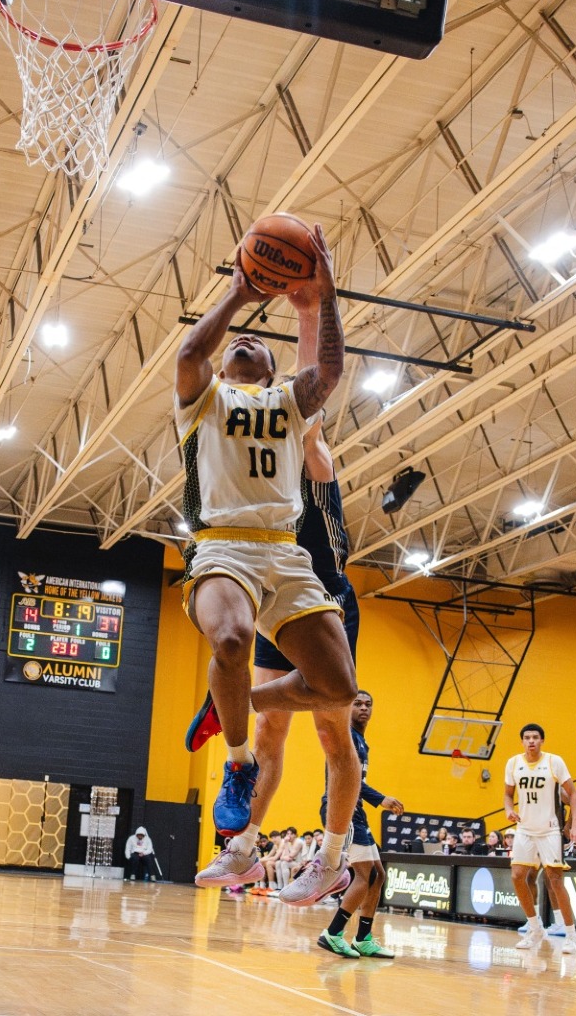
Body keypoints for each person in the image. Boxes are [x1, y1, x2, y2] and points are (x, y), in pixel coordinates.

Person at [173, 228, 359, 909]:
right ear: (225, 368)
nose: (247, 339)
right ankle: (238, 761)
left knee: (337, 687)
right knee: (230, 639)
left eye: (259, 338)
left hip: (287, 553)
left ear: (276, 371)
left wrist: (326, 293)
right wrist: (237, 292)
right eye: (238, 343)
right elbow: (193, 349)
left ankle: (234, 709)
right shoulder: (203, 403)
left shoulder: (286, 404)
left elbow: (330, 371)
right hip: (222, 545)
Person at [195, 395, 364, 909]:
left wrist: (309, 421)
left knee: (332, 731)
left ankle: (332, 859)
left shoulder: (311, 457)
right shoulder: (255, 465)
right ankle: (243, 846)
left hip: (322, 595)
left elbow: (314, 440)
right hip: (271, 592)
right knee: (270, 733)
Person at [317, 691, 405, 959]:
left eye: (368, 704)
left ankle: (363, 938)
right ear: (348, 707)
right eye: (358, 703)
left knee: (378, 875)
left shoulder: (360, 740)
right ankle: (333, 933)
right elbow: (349, 779)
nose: (364, 708)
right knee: (364, 876)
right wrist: (381, 799)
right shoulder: (345, 737)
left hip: (355, 809)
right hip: (342, 809)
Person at [503, 722, 576, 956]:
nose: (531, 741)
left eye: (535, 737)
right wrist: (508, 810)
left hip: (550, 830)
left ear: (542, 740)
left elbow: (574, 794)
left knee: (555, 880)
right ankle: (536, 928)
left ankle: (571, 935)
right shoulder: (513, 763)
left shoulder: (554, 761)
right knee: (518, 876)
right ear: (522, 741)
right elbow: (508, 795)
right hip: (525, 829)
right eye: (527, 737)